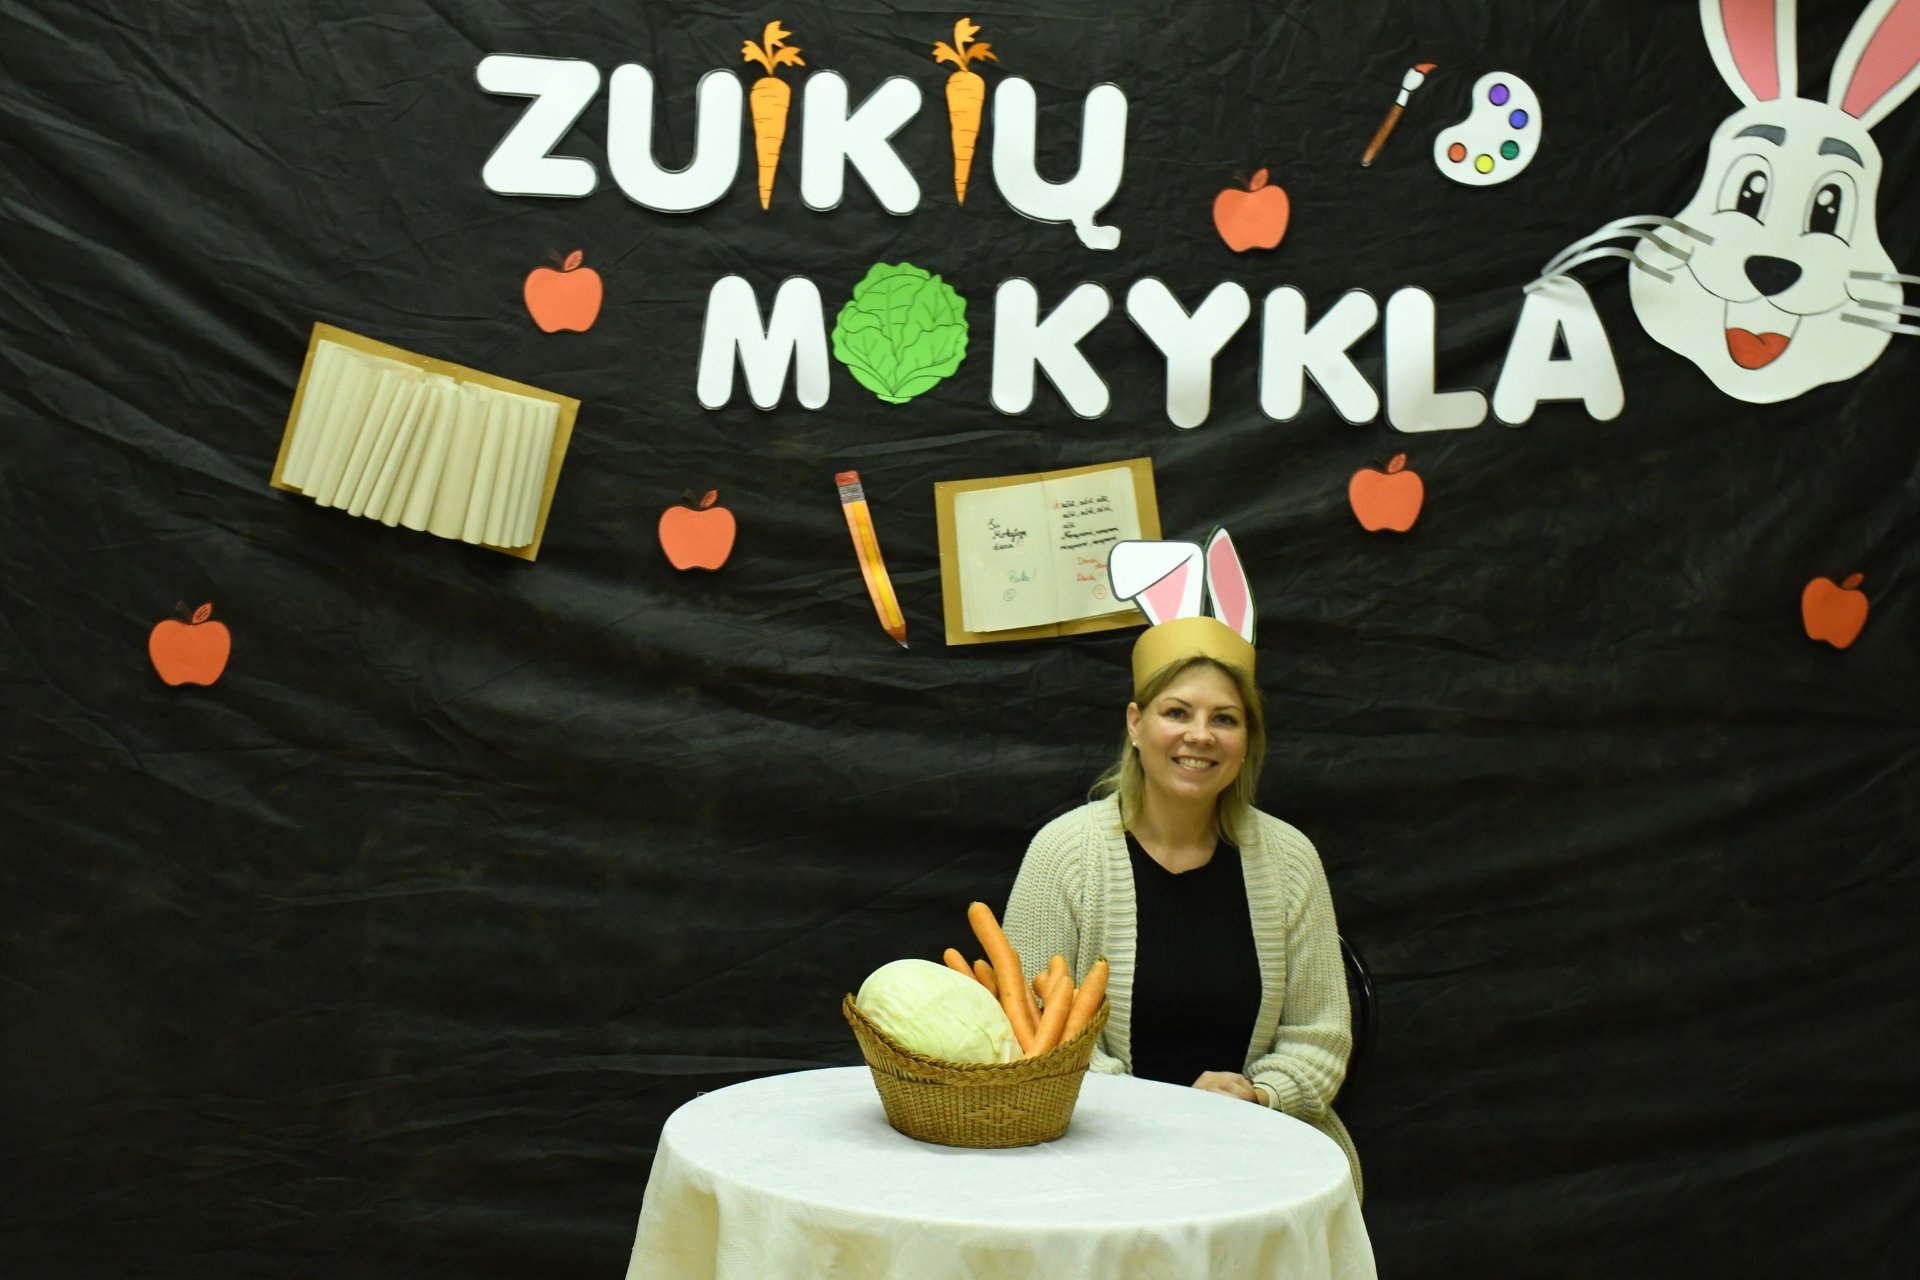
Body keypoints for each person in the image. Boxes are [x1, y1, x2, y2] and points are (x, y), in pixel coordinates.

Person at [1003, 613, 1363, 1200]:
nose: (1201, 735)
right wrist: (1165, 1111)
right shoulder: (1064, 854)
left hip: (1258, 1153)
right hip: (1094, 1162)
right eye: (1177, 712)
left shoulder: (1291, 861)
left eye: (1225, 718)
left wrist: (1257, 1096)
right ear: (1136, 724)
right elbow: (1030, 1035)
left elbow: (1319, 1036)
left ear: (1246, 741)